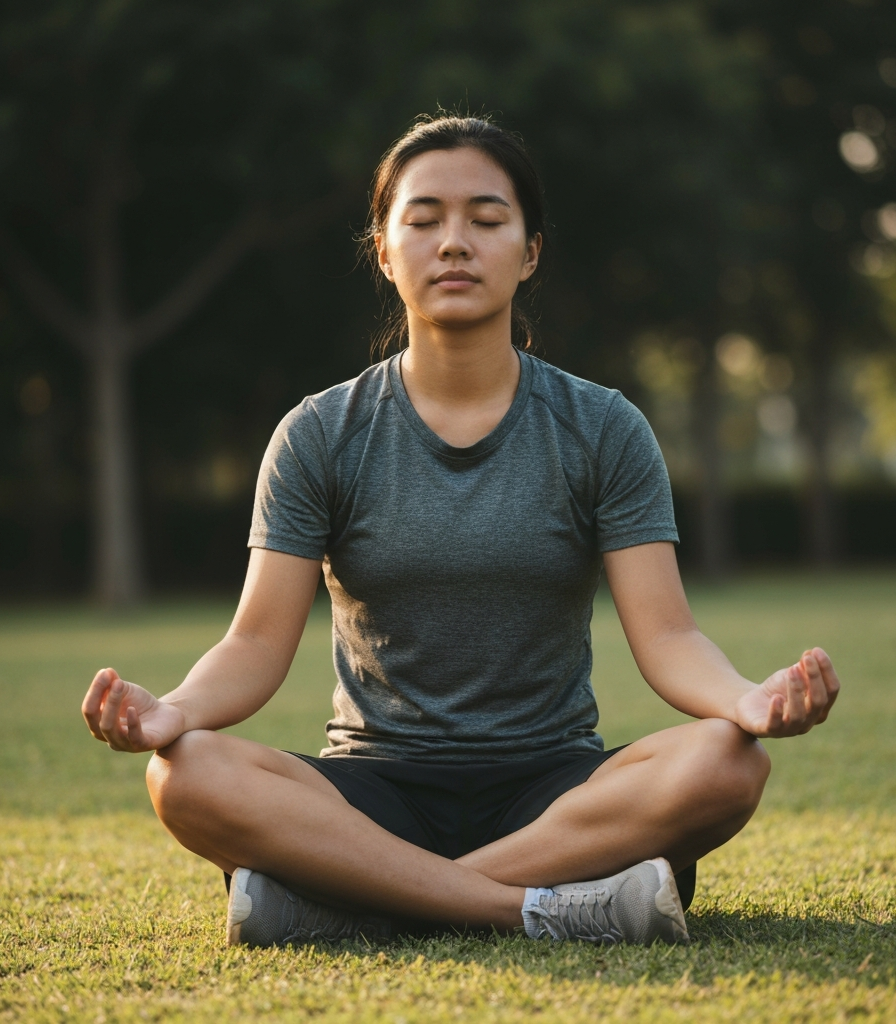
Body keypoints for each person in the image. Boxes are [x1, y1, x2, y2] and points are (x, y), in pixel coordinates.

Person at [81, 115, 840, 948]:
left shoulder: (604, 427)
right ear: (383, 249)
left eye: (485, 220)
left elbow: (668, 636)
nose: (454, 243)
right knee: (184, 773)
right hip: (373, 788)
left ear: (530, 251)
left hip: (554, 792)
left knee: (730, 762)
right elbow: (257, 646)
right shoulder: (319, 434)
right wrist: (173, 711)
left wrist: (747, 700)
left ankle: (355, 897)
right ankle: (543, 906)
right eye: (423, 219)